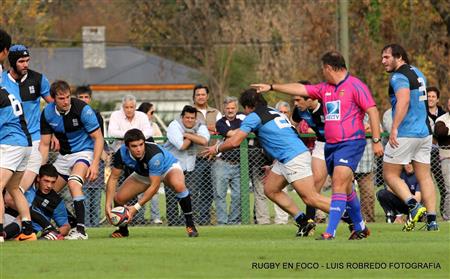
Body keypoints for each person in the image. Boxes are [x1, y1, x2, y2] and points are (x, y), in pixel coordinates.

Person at [251, 50, 384, 240]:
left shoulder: (355, 85)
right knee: (346, 189)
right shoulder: (325, 88)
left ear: (329, 68)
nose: (322, 72)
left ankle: (330, 232)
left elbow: (372, 110)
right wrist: (272, 87)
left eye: (323, 69)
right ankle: (360, 227)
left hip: (351, 143)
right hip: (330, 146)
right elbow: (300, 89)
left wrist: (377, 140)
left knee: (338, 182)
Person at [202, 89, 333, 238]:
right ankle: (303, 221)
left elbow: (235, 141)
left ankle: (349, 215)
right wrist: (273, 163)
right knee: (271, 189)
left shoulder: (253, 116)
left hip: (293, 157)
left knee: (310, 198)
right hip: (287, 156)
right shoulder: (272, 111)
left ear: (248, 107)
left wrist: (216, 148)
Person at [381, 44, 438, 231]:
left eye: (387, 57)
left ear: (399, 57)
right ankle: (432, 221)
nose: (383, 61)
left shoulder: (398, 76)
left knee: (389, 174)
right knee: (425, 177)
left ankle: (413, 206)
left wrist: (395, 128)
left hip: (406, 133)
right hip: (425, 132)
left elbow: (404, 100)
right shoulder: (418, 72)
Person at [40, 80, 104, 240]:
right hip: (64, 156)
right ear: (53, 98)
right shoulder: (47, 113)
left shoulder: (83, 109)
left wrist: (95, 163)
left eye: (68, 97)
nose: (66, 101)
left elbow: (98, 138)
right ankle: (73, 222)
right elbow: (44, 144)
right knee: (47, 190)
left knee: (74, 183)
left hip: (84, 153)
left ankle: (81, 231)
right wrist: (40, 171)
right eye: (61, 98)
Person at [105, 129, 199, 237]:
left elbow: (155, 186)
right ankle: (123, 231)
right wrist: (108, 206)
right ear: (127, 147)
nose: (139, 149)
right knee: (119, 198)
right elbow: (113, 178)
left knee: (179, 185)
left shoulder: (154, 155)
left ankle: (190, 225)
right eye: (134, 146)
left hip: (167, 168)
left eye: (141, 144)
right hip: (144, 174)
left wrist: (135, 208)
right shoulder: (121, 153)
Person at [1, 45, 53, 212]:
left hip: (34, 142)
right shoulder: (2, 80)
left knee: (15, 193)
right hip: (10, 143)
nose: (25, 64)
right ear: (12, 62)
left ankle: (42, 226)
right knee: (10, 193)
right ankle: (27, 228)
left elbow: (54, 106)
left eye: (27, 61)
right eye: (21, 61)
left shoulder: (38, 79)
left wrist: (54, 133)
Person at [0, 29, 36, 242]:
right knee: (14, 188)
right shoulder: (7, 86)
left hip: (12, 142)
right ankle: (29, 230)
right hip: (25, 142)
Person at [108, 95, 152, 225]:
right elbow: (112, 132)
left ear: (135, 107)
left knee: (139, 190)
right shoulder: (115, 115)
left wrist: (128, 136)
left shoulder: (142, 116)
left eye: (131, 107)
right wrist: (134, 135)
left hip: (139, 158)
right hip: (121, 158)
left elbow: (148, 132)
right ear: (123, 107)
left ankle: (138, 218)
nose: (129, 110)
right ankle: (121, 219)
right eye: (126, 107)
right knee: (121, 190)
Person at [164, 105, 209, 226]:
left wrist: (188, 135)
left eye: (192, 118)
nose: (189, 120)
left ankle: (187, 223)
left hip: (190, 167)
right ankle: (173, 224)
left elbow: (204, 141)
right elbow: (181, 146)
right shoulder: (174, 125)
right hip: (171, 168)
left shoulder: (199, 125)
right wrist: (194, 136)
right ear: (182, 117)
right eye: (187, 117)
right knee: (172, 197)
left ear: (195, 118)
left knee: (191, 196)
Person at [291, 81, 328, 223]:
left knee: (343, 185)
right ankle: (310, 223)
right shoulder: (299, 110)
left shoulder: (327, 106)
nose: (295, 103)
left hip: (339, 145)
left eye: (298, 100)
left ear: (311, 98)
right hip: (321, 144)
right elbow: (292, 124)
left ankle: (355, 220)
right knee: (313, 187)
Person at [75, 85, 106, 227]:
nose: (83, 100)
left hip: (95, 158)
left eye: (86, 97)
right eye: (80, 97)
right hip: (79, 158)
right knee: (83, 193)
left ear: (90, 99)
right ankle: (84, 224)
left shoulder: (96, 115)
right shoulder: (72, 114)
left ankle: (95, 225)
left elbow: (99, 138)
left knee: (96, 194)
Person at [191, 84, 222, 225]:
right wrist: (210, 128)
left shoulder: (216, 112)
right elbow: (188, 129)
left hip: (213, 158)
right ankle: (190, 219)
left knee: (208, 191)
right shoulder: (189, 112)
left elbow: (222, 130)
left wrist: (203, 129)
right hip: (194, 158)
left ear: (207, 96)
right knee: (192, 190)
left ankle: (204, 220)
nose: (201, 97)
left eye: (203, 94)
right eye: (198, 94)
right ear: (194, 96)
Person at [214, 97, 245, 225]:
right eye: (228, 108)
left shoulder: (242, 118)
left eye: (233, 108)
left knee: (238, 195)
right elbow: (231, 134)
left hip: (239, 164)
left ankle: (233, 222)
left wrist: (245, 129)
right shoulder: (220, 122)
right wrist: (244, 130)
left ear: (236, 109)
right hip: (222, 163)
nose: (230, 110)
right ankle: (222, 222)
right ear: (224, 109)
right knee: (220, 195)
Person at [24, 163, 70, 240]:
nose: (49, 186)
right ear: (38, 178)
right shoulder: (27, 187)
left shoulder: (56, 201)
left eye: (53, 182)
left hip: (32, 232)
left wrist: (55, 233)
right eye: (46, 181)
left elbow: (65, 227)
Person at [137, 102, 163, 224]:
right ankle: (139, 217)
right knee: (139, 191)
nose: (152, 115)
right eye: (151, 112)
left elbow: (160, 141)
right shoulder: (137, 126)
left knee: (154, 190)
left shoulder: (154, 126)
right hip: (138, 163)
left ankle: (155, 217)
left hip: (153, 163)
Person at [426, 86, 447, 220]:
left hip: (439, 153)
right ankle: (424, 214)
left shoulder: (443, 115)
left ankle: (443, 212)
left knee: (443, 185)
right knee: (424, 184)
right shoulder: (420, 113)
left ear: (437, 99)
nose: (431, 99)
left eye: (433, 96)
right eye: (428, 96)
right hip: (424, 153)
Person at [272, 101, 292, 225]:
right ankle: (281, 221)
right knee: (278, 191)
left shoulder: (293, 125)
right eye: (281, 112)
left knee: (307, 193)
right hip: (280, 163)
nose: (283, 115)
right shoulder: (272, 126)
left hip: (299, 161)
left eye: (285, 112)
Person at [354, 114, 376, 222]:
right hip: (347, 161)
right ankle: (347, 221)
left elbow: (378, 130)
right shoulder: (345, 110)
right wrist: (364, 128)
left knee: (369, 196)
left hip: (366, 162)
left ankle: (369, 222)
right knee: (345, 195)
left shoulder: (369, 114)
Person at [434, 97, 450, 221]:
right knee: (449, 188)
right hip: (446, 156)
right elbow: (441, 132)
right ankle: (447, 217)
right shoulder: (441, 119)